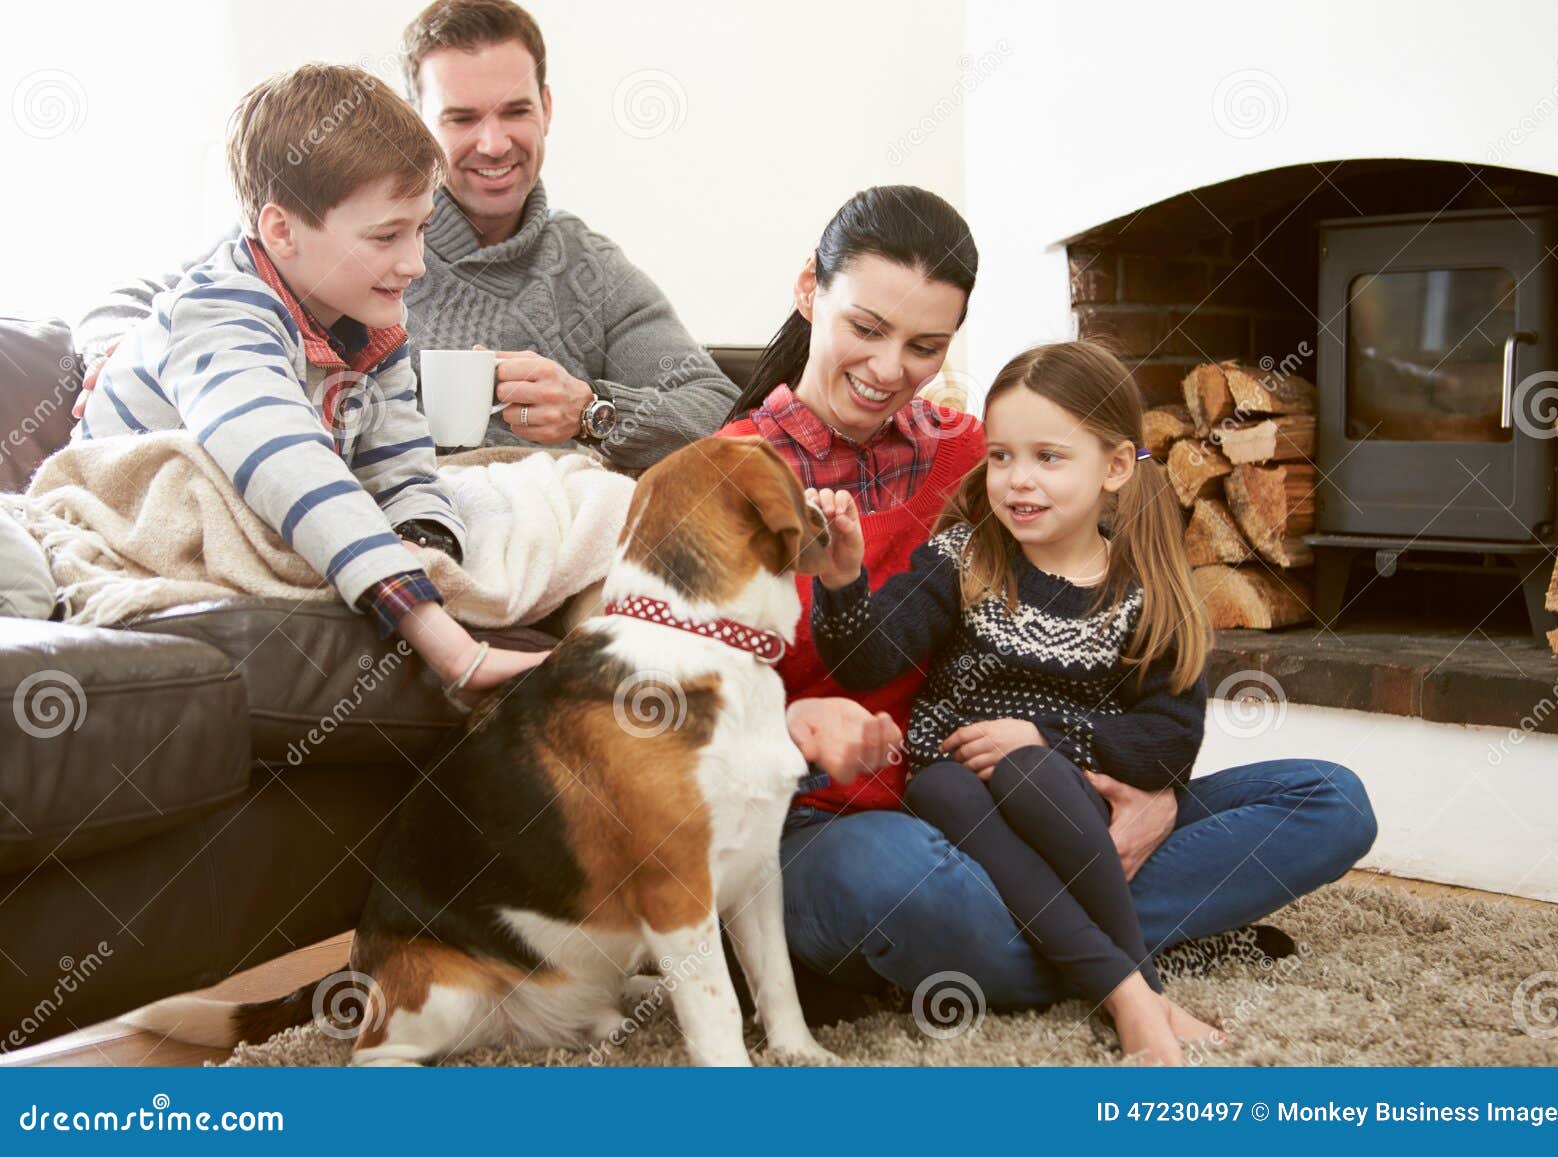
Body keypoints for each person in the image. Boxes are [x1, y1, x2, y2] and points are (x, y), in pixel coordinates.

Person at [718, 186, 1380, 1018]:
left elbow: (1160, 714)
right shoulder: (718, 479)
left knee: (1329, 800)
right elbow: (650, 707)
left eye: (926, 344)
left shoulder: (982, 456)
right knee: (891, 882)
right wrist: (788, 725)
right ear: (810, 289)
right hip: (840, 821)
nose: (890, 370)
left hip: (1044, 804)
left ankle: (1061, 941)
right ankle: (1116, 954)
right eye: (866, 328)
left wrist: (1157, 796)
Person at [72, 0, 733, 470]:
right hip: (382, 513)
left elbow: (723, 411)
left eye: (515, 111)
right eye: (462, 117)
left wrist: (594, 412)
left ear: (548, 110)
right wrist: (118, 355)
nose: (494, 142)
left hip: (542, 530)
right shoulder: (339, 241)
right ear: (418, 121)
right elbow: (139, 301)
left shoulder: (590, 270)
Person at [806, 340, 1229, 1063]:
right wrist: (844, 583)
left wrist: (1039, 736)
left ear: (1117, 467)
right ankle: (1137, 988)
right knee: (969, 788)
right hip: (949, 783)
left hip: (1068, 806)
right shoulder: (966, 556)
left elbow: (1168, 743)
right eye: (1001, 456)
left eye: (1048, 457)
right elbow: (868, 659)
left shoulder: (1142, 593)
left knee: (1323, 798)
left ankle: (1062, 940)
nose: (1017, 481)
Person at [77, 64, 542, 704]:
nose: (416, 263)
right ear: (281, 231)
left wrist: (426, 544)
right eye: (386, 236)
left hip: (289, 502)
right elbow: (286, 462)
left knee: (558, 496)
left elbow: (403, 468)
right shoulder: (218, 316)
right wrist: (445, 640)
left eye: (422, 228)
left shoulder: (371, 323)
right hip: (151, 517)